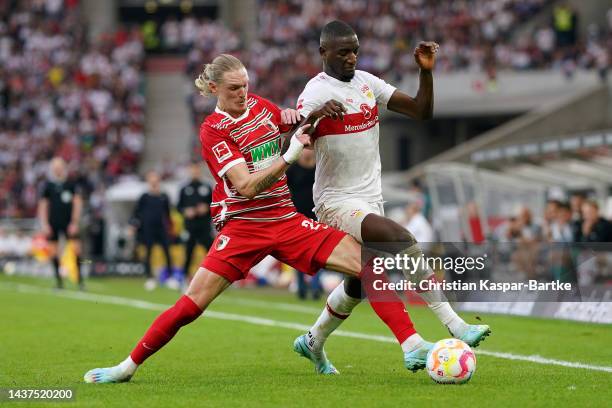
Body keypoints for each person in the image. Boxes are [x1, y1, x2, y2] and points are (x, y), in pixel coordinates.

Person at [83, 54, 436, 384]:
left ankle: (411, 345)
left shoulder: (260, 107)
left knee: (368, 264)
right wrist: (291, 152)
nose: (242, 93)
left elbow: (290, 124)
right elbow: (247, 186)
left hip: (285, 219)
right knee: (190, 306)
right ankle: (126, 368)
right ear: (213, 89)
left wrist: (306, 120)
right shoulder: (214, 130)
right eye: (234, 88)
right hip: (243, 227)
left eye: (245, 85)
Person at [292, 21, 490, 372]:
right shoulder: (316, 91)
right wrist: (314, 118)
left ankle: (313, 341)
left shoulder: (368, 83)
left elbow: (421, 110)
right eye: (343, 51)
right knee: (401, 238)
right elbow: (293, 139)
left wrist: (425, 73)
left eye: (355, 49)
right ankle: (453, 325)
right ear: (323, 53)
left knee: (359, 283)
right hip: (335, 201)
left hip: (370, 198)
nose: (352, 57)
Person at [38, 157, 85, 290]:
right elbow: (43, 205)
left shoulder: (71, 184)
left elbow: (77, 203)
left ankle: (80, 280)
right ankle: (59, 282)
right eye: (55, 166)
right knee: (53, 252)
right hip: (53, 223)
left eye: (60, 166)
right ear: (52, 169)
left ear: (64, 168)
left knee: (77, 250)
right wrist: (45, 223)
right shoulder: (48, 186)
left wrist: (75, 222)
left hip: (69, 223)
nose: (57, 169)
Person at [286, 148, 322, 300]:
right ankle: (301, 286)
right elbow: (286, 190)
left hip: (317, 215)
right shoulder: (293, 170)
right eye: (305, 150)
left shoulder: (319, 168)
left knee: (318, 253)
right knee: (299, 253)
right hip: (298, 216)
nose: (308, 153)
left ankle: (315, 286)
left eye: (310, 149)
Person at [131, 170, 173, 290]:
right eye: (151, 178)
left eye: (155, 178)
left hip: (161, 228)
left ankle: (169, 277)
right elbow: (136, 213)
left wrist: (170, 227)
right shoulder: (144, 197)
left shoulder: (164, 196)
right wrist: (133, 225)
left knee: (167, 251)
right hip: (148, 229)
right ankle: (150, 278)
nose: (154, 180)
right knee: (149, 253)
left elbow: (168, 214)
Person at [177, 162, 213, 287]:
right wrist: (186, 211)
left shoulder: (207, 187)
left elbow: (215, 205)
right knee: (188, 253)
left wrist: (207, 208)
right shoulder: (184, 188)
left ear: (200, 171)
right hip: (190, 227)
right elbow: (179, 207)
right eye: (192, 170)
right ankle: (184, 279)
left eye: (196, 169)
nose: (194, 172)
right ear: (189, 171)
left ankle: (214, 279)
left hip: (204, 226)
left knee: (211, 254)